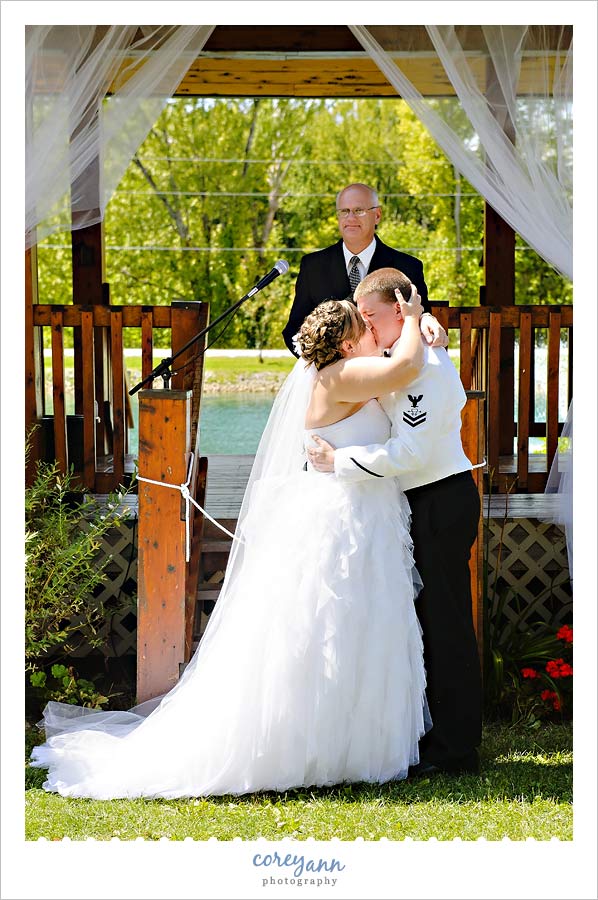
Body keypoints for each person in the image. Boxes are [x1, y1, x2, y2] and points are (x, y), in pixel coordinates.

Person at [30, 289, 432, 799]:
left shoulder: (343, 372)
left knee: (355, 628)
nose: (374, 335)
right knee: (330, 628)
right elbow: (406, 368)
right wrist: (416, 318)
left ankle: (346, 745)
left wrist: (423, 330)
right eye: (365, 329)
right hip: (343, 520)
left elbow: (398, 373)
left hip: (361, 514)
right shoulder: (341, 377)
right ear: (348, 342)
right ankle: (308, 746)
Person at [308, 267, 483, 776]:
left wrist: (338, 463)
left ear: (401, 309)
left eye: (372, 316)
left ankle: (457, 749)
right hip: (418, 501)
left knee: (446, 625)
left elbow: (408, 452)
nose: (366, 326)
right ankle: (432, 735)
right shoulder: (401, 356)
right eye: (359, 317)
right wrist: (426, 326)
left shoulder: (421, 365)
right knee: (426, 622)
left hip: (440, 500)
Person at [282, 182, 443, 355]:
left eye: (359, 210)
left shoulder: (408, 266)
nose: (350, 218)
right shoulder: (313, 266)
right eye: (344, 211)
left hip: (390, 373)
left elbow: (420, 316)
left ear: (378, 215)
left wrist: (426, 318)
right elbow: (295, 328)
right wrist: (324, 362)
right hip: (333, 374)